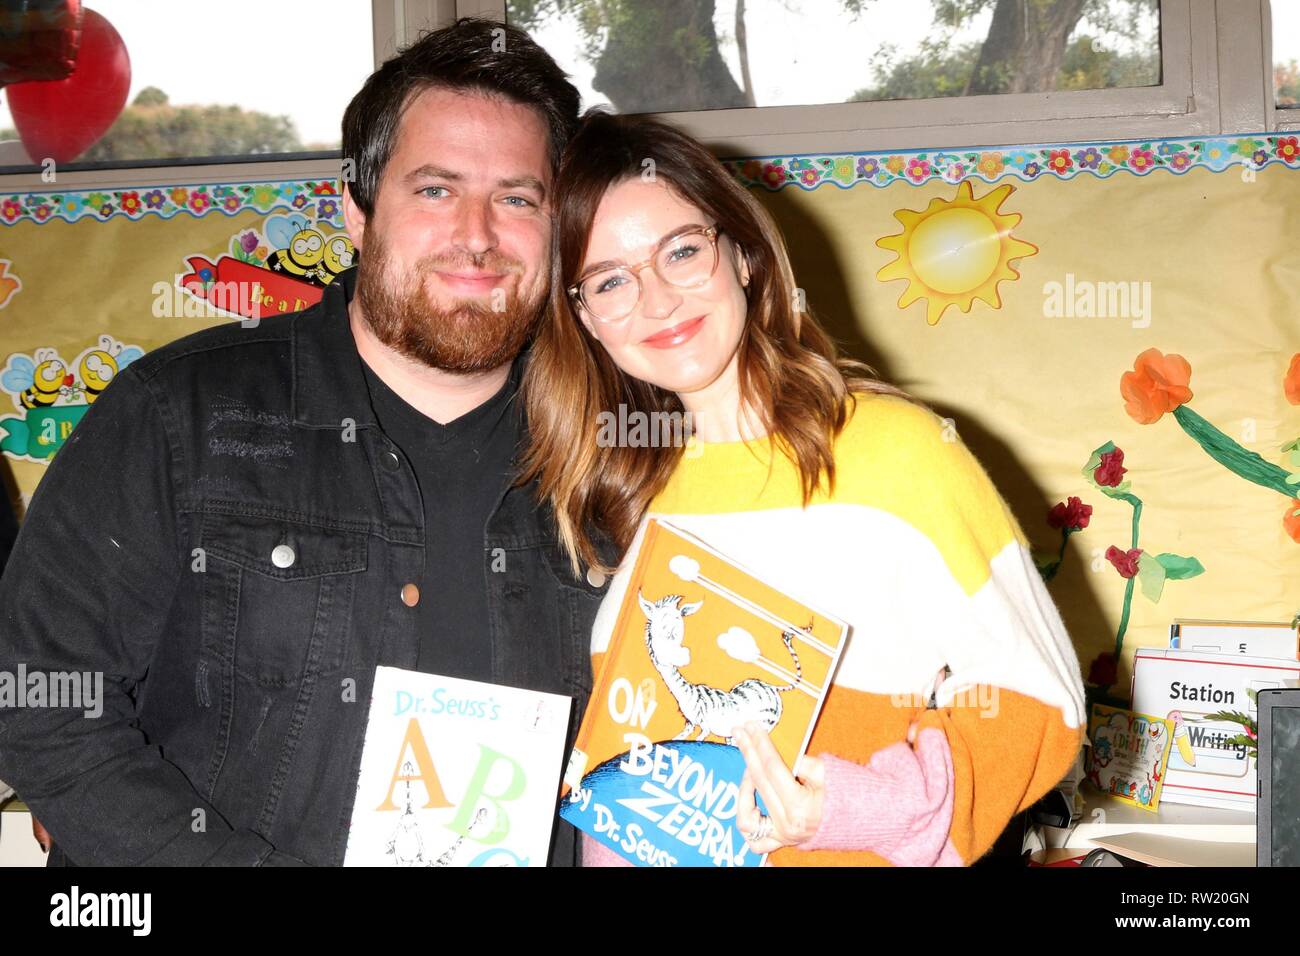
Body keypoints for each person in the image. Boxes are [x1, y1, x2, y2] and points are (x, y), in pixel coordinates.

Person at [0, 18, 614, 866]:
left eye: (517, 198)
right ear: (357, 212)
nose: (477, 235)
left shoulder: (617, 457)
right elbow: (38, 702)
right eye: (434, 190)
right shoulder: (179, 416)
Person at [520, 111, 1088, 866]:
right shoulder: (633, 486)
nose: (656, 301)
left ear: (744, 256)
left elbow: (1040, 702)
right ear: (585, 317)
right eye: (612, 281)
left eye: (682, 252)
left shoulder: (896, 453)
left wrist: (855, 806)